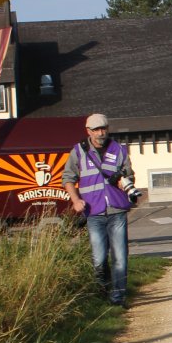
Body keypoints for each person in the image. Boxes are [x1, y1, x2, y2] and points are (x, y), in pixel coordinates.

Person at [62, 113, 138, 306]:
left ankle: (118, 297)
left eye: (103, 128)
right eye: (96, 129)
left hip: (116, 210)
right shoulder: (79, 151)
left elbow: (130, 175)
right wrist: (75, 200)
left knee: (120, 257)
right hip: (93, 212)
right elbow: (68, 178)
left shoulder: (119, 150)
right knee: (99, 259)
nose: (101, 133)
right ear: (88, 131)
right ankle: (102, 289)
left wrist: (125, 181)